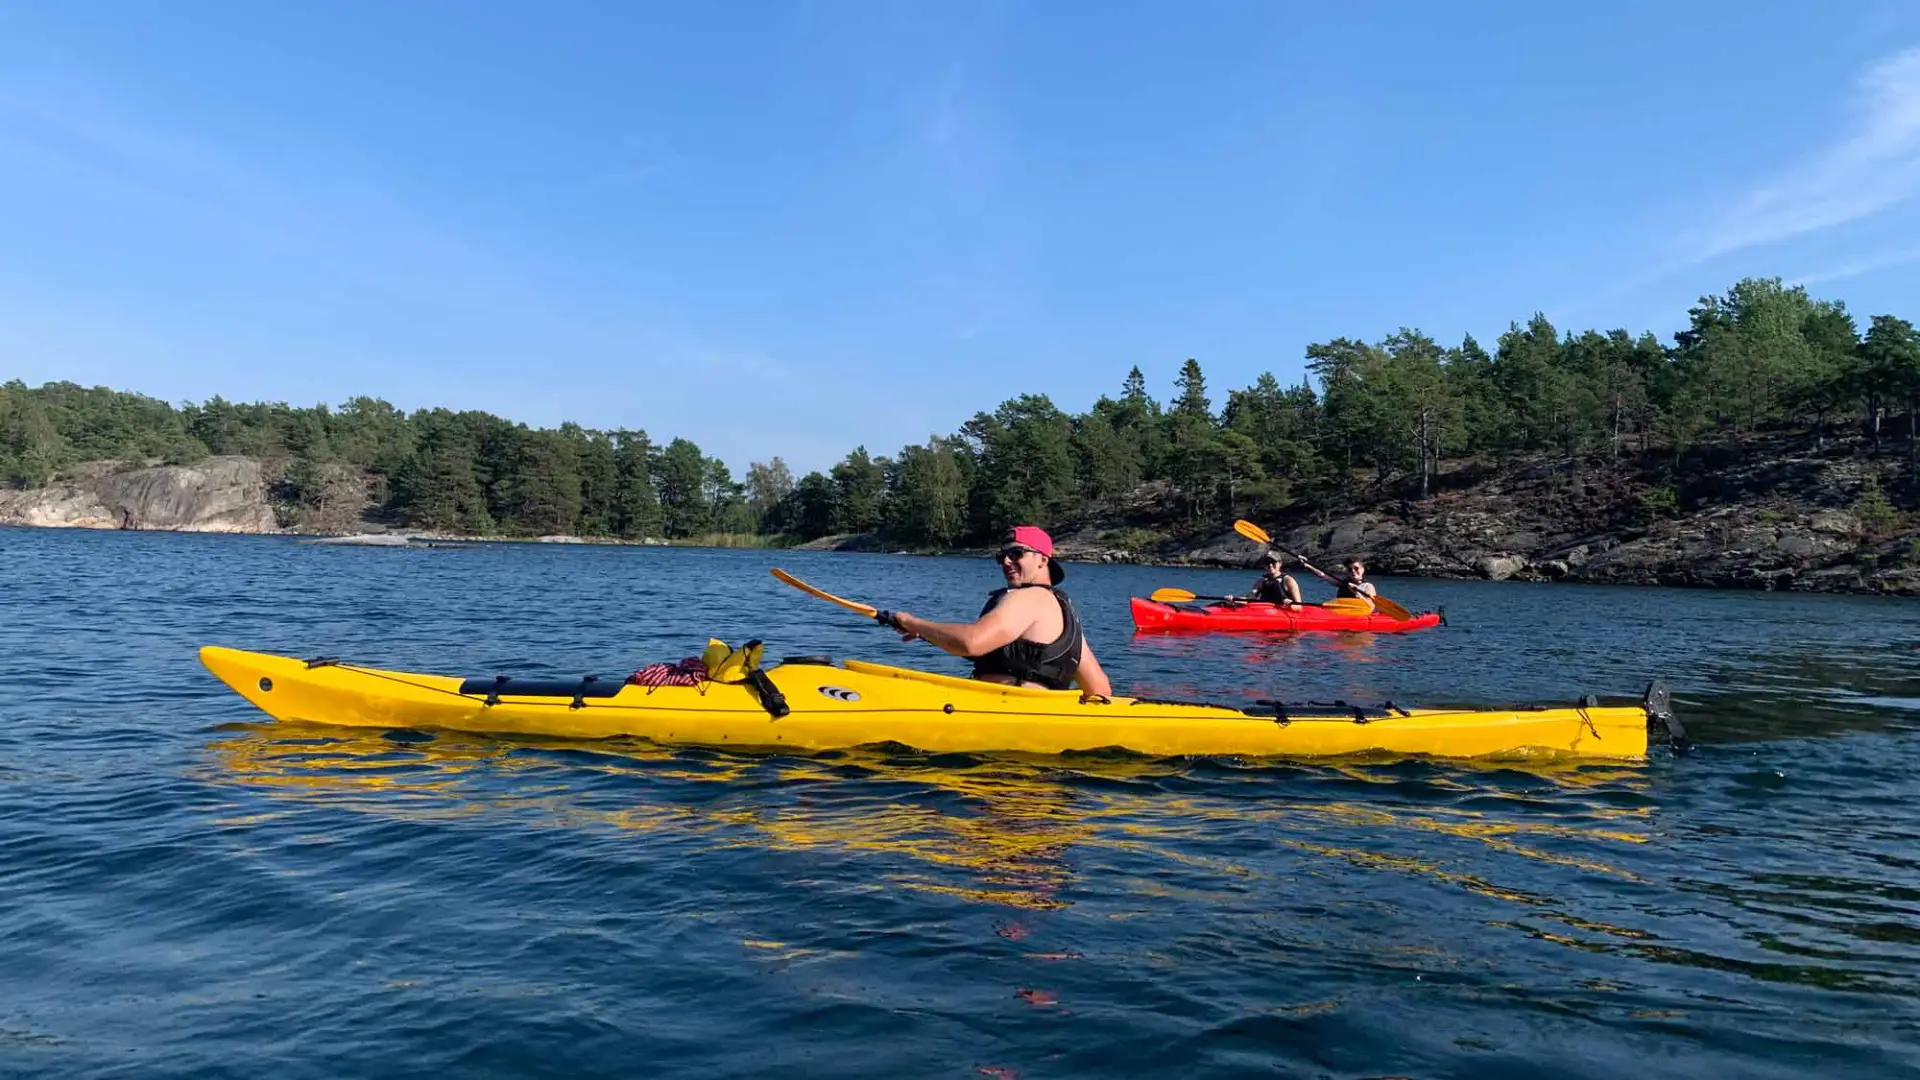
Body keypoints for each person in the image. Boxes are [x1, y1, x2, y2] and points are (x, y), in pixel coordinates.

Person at [874, 525, 1113, 701]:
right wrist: (929, 634)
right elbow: (1099, 688)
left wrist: (912, 622)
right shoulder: (1061, 608)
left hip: (1002, 715)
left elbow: (971, 643)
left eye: (1017, 553)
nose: (1006, 562)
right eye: (1002, 556)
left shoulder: (1026, 597)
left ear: (1042, 559)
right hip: (1034, 721)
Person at [1300, 555, 1378, 610]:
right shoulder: (1342, 583)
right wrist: (1308, 564)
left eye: (1356, 568)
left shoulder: (1368, 586)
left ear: (1362, 569)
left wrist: (1357, 593)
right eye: (1350, 569)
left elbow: (1371, 607)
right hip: (1341, 614)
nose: (1353, 571)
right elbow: (1323, 575)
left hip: (1358, 616)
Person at [1231, 551, 1302, 608]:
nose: (1270, 565)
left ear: (1280, 563)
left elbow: (1299, 606)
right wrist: (1235, 600)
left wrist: (1290, 605)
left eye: (1273, 562)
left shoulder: (1288, 580)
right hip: (1266, 614)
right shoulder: (1261, 580)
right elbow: (1250, 597)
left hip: (1282, 616)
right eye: (1267, 563)